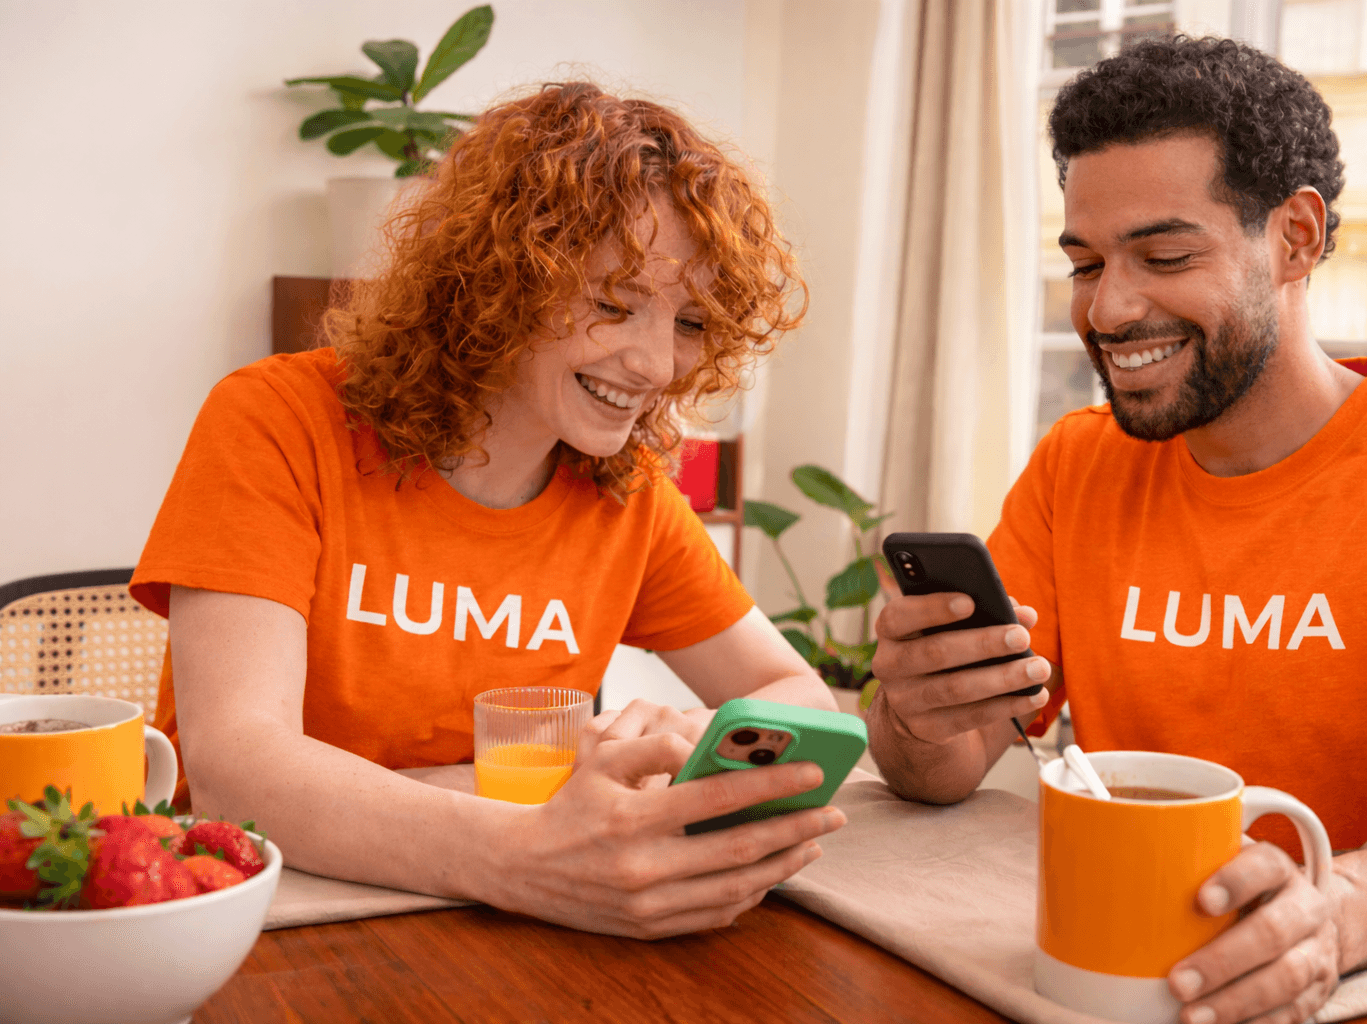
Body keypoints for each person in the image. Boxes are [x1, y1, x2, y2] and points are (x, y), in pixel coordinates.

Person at [865, 36, 1367, 1024]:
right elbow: (943, 768)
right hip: (1139, 978)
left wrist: (1327, 914)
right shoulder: (1076, 462)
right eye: (1087, 263)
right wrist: (916, 713)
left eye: (1166, 256)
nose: (1111, 307)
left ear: (1296, 239)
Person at [129, 82, 846, 939]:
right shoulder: (278, 418)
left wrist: (689, 735)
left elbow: (801, 698)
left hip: (494, 923)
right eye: (614, 304)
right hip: (254, 918)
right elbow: (237, 772)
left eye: (691, 322)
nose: (658, 364)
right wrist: (521, 848)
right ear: (497, 282)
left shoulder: (629, 491)